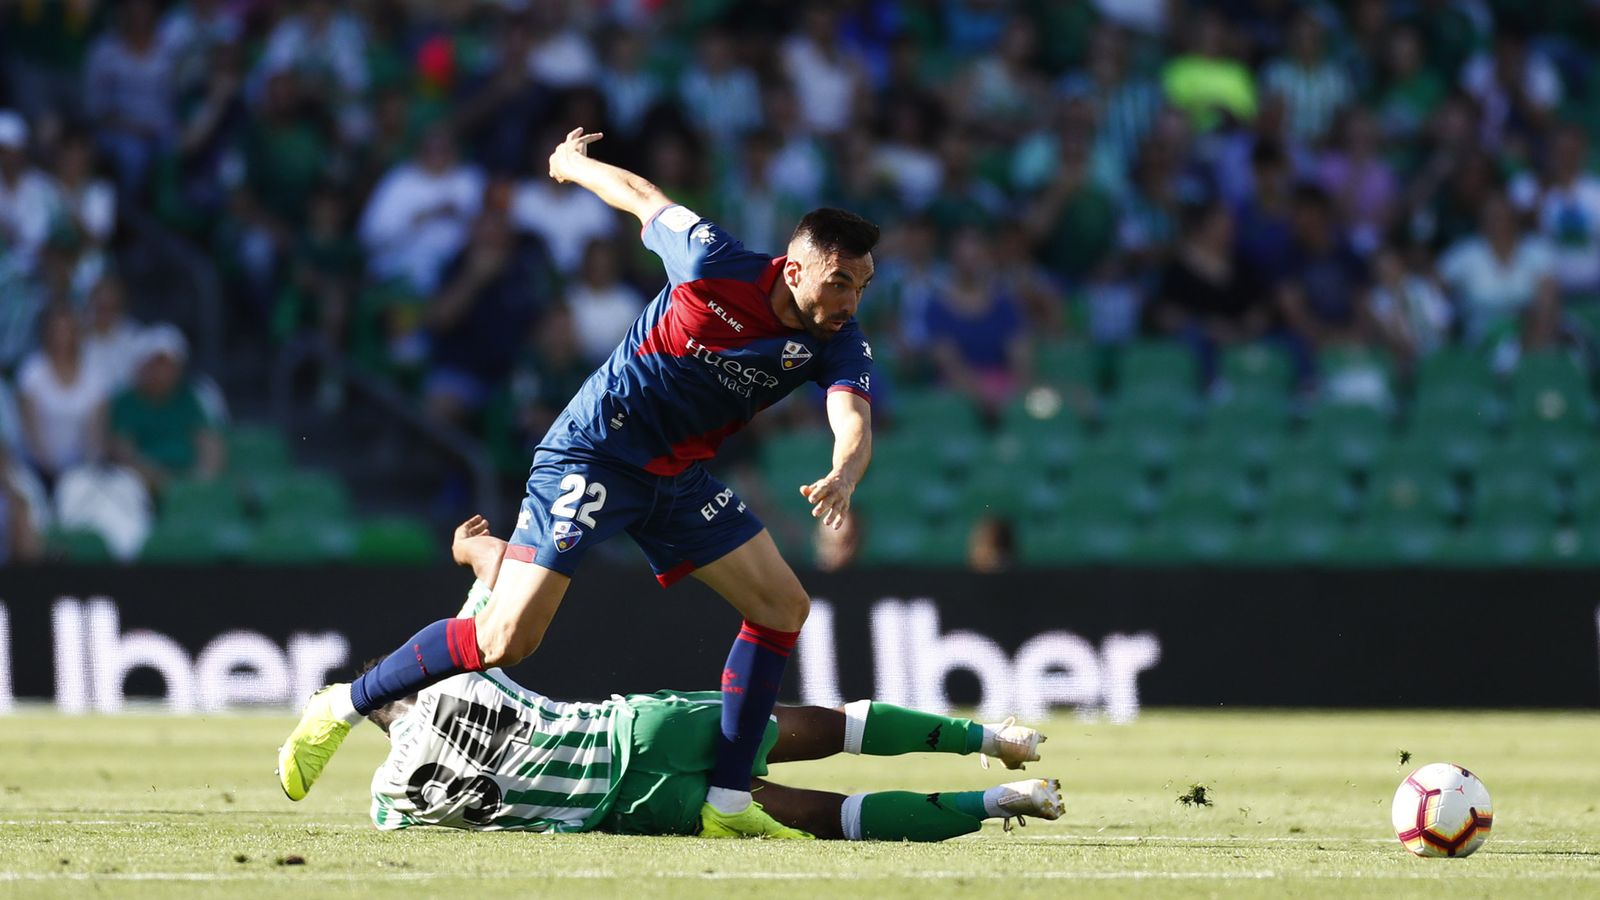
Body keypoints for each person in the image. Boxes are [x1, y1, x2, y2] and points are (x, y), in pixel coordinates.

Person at [280, 127, 880, 842]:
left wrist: (844, 472)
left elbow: (852, 415)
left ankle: (726, 803)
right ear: (795, 269)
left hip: (675, 476)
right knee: (506, 640)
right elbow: (643, 197)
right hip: (595, 452)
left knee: (783, 607)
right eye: (840, 282)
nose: (851, 300)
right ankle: (342, 705)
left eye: (862, 286)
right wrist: (570, 164)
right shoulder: (712, 261)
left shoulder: (836, 338)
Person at [367, 516, 1057, 839]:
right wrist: (468, 549)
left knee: (828, 819)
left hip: (631, 808)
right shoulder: (459, 678)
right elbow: (500, 570)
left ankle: (998, 801)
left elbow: (389, 823)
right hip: (638, 730)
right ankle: (990, 738)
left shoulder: (391, 798)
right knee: (828, 726)